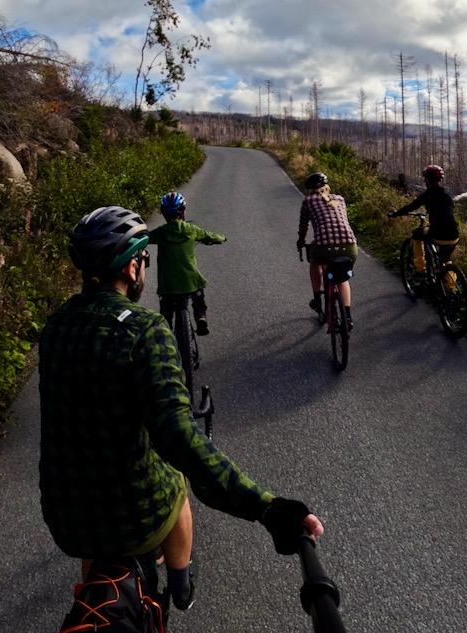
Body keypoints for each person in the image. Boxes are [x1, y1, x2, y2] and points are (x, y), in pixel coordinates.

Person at [39, 205, 323, 617]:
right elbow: (177, 437)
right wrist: (266, 507)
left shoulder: (56, 326)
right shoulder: (144, 329)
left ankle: (93, 591)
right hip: (133, 517)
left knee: (101, 545)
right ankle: (181, 584)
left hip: (67, 517)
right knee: (175, 482)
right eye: (143, 260)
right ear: (133, 267)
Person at [148, 191, 224, 337]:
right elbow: (210, 236)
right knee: (198, 291)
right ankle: (200, 317)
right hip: (189, 282)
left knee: (166, 310)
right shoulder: (191, 229)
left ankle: (166, 330)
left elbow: (145, 238)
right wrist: (221, 237)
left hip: (168, 285)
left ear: (164, 214)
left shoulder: (160, 233)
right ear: (182, 211)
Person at [297, 172, 359, 326]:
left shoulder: (308, 201)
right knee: (342, 279)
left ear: (310, 189)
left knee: (314, 262)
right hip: (350, 246)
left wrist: (301, 241)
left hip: (323, 248)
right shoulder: (340, 199)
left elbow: (304, 225)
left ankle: (317, 299)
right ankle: (348, 317)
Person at [388, 164, 460, 267]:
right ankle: (449, 282)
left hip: (438, 233)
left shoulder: (428, 194)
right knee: (444, 261)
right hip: (454, 234)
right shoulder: (447, 193)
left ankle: (420, 268)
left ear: (427, 180)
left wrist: (395, 214)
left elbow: (411, 206)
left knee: (416, 234)